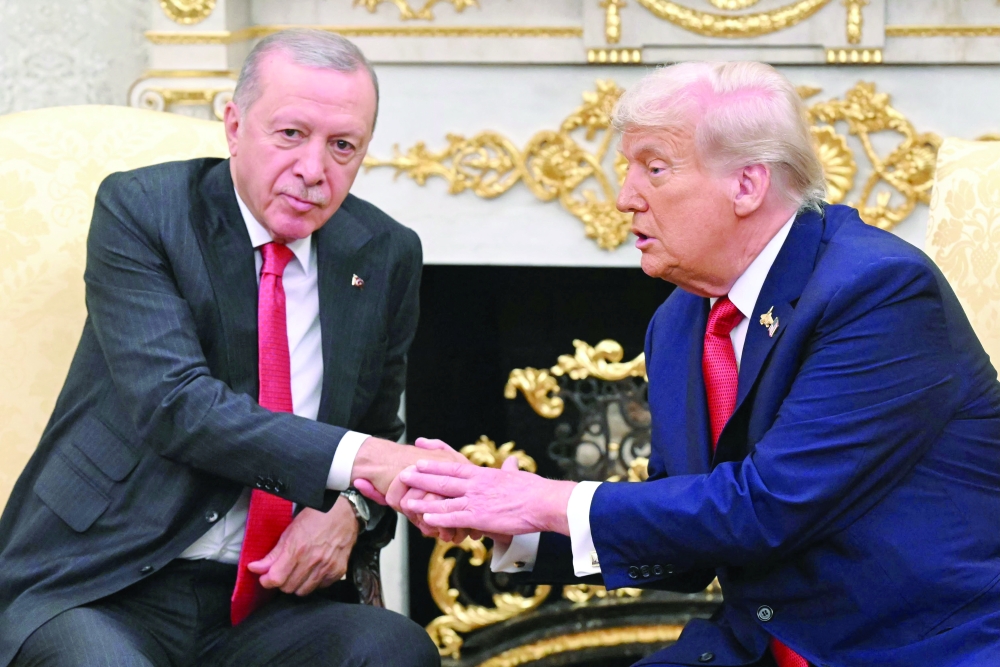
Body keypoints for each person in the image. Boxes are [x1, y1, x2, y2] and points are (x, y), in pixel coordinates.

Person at [388, 62, 1000, 666]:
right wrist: (495, 518)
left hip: (915, 646)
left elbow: (766, 510)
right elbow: (688, 545)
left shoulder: (877, 291)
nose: (626, 198)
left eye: (654, 169)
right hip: (758, 643)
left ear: (746, 185)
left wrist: (540, 498)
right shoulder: (683, 319)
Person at [0, 29, 455, 667]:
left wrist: (350, 511)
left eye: (343, 147)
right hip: (103, 580)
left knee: (395, 651)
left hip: (270, 601)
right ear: (235, 125)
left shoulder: (384, 252)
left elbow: (378, 430)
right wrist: (366, 463)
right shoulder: (143, 211)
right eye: (290, 134)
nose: (314, 170)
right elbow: (175, 405)